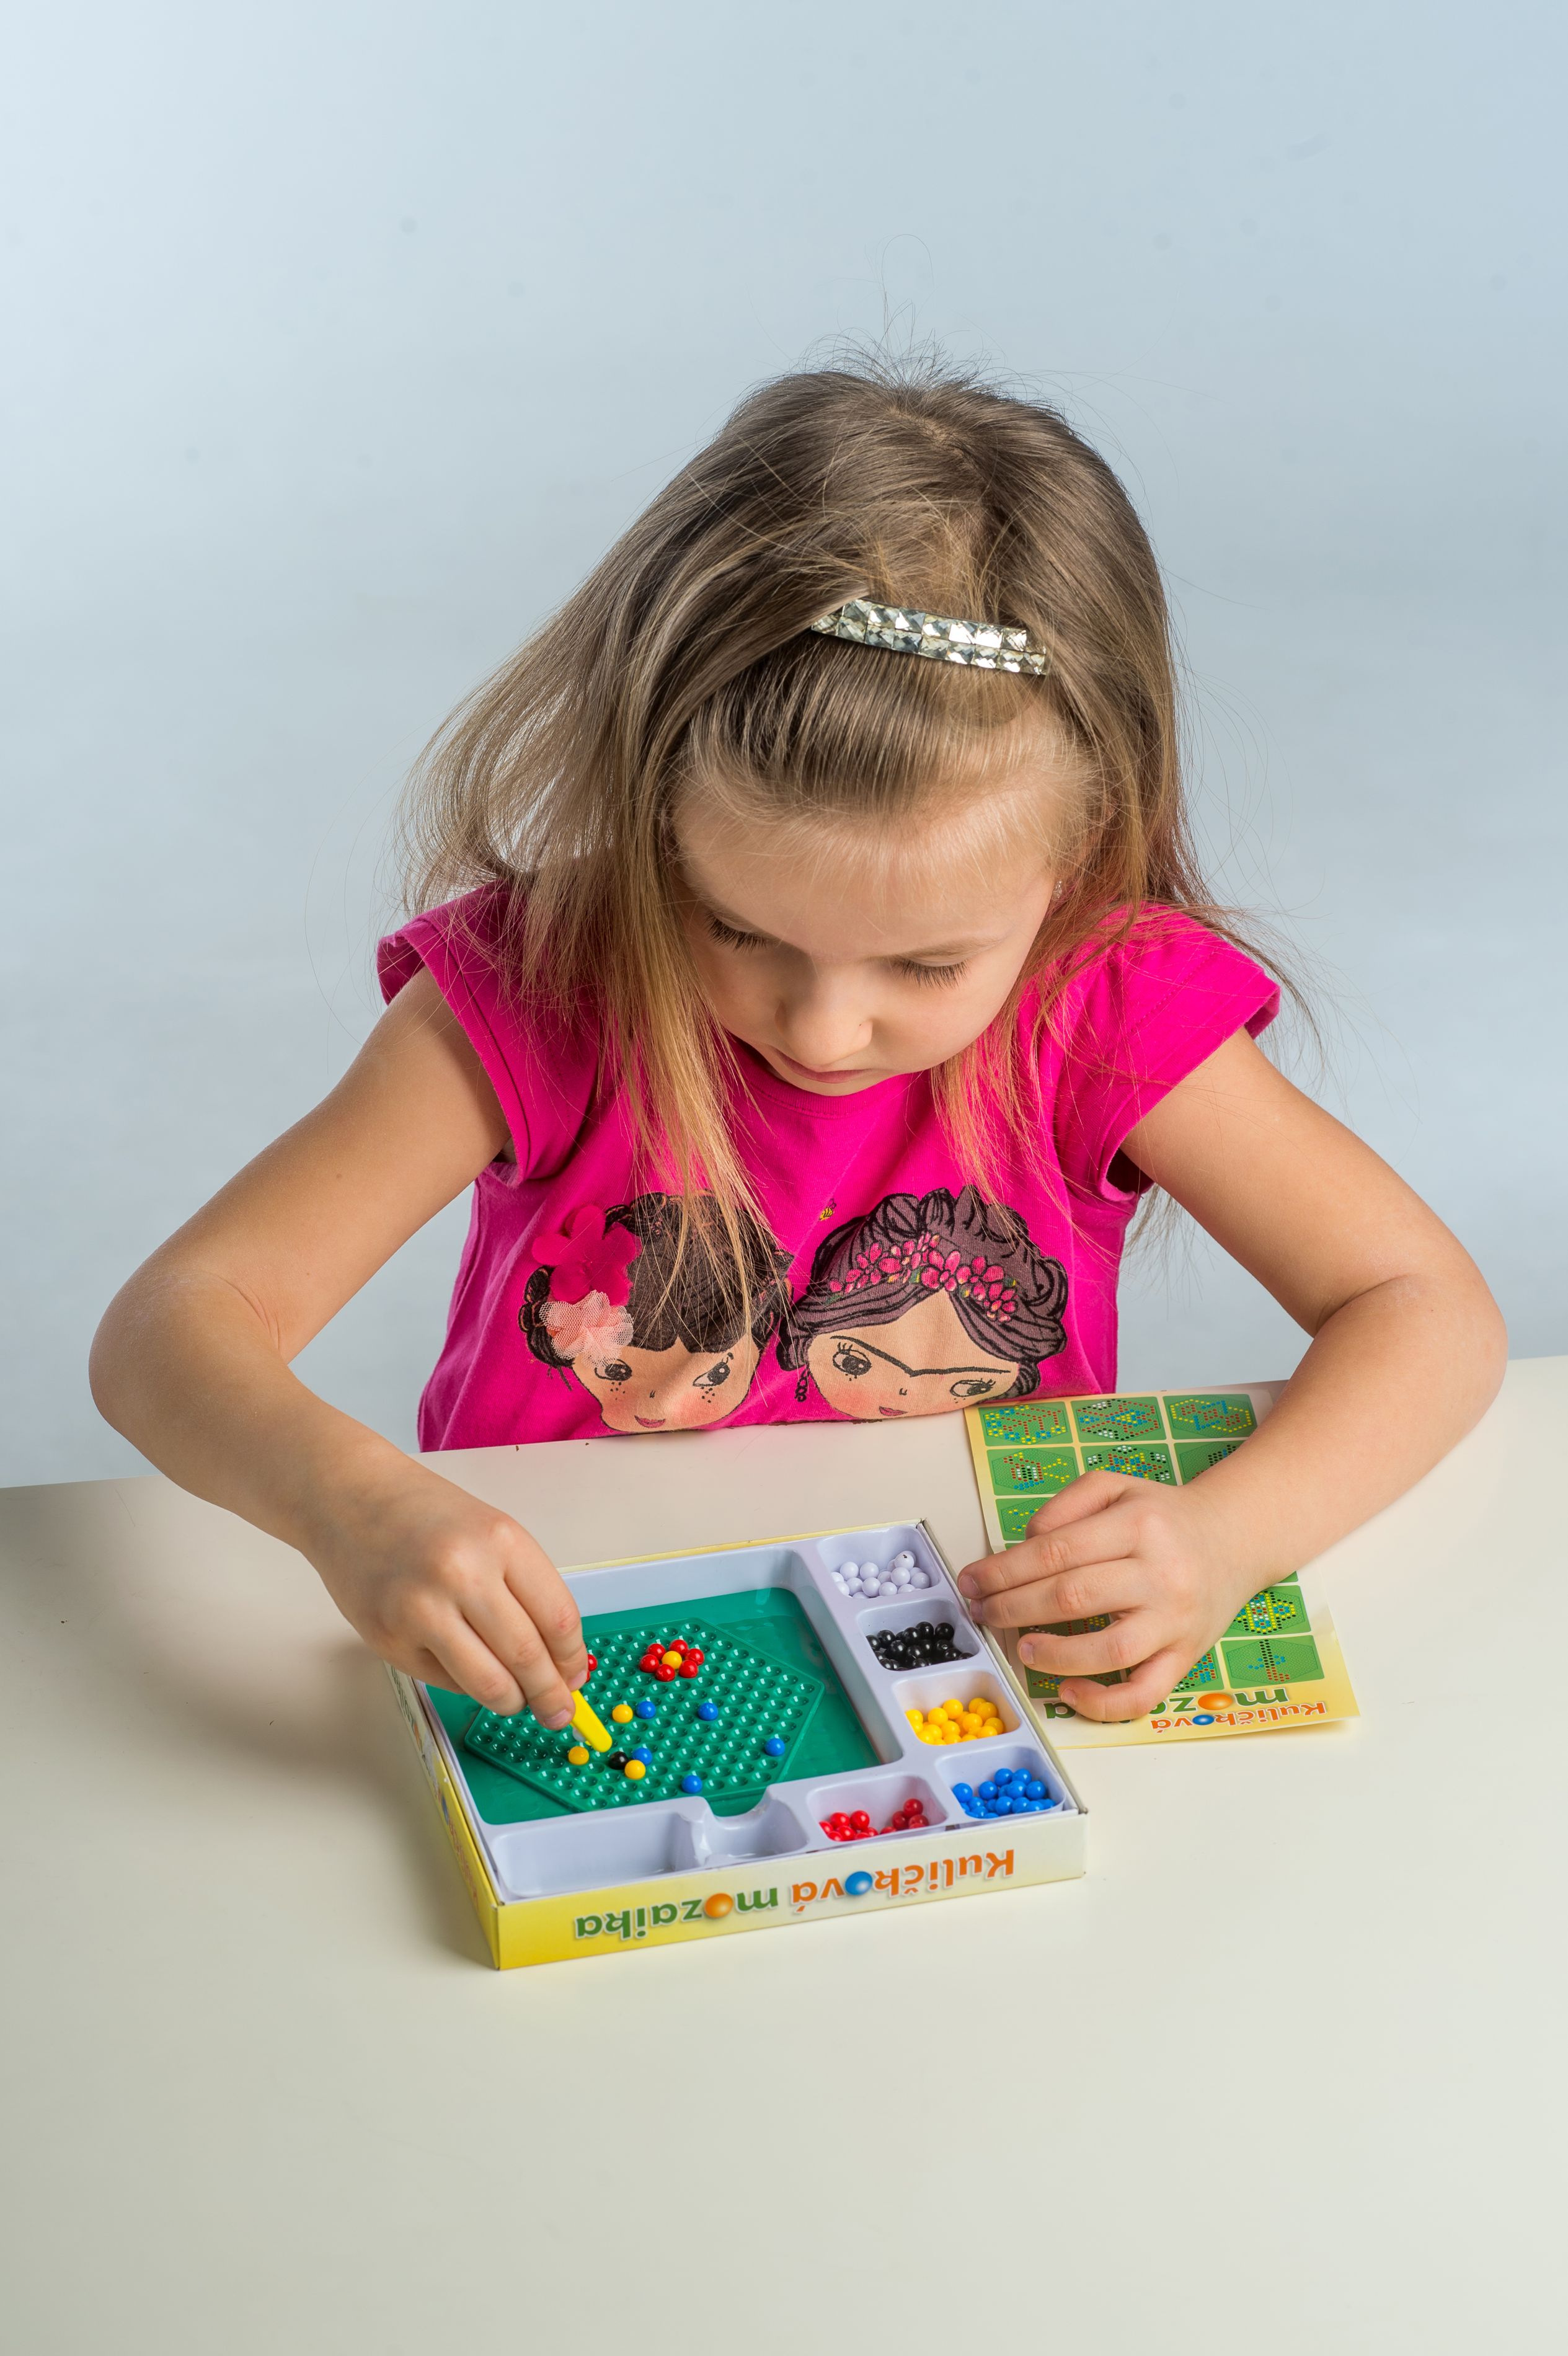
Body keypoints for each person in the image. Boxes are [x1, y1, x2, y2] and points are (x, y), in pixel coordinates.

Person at [90, 358, 1506, 1730]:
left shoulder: (1103, 1004)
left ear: (1077, 859)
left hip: (967, 1671)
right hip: (578, 1651)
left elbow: (1423, 1309)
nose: (824, 1028)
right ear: (655, 816)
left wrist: (1229, 1535)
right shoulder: (538, 986)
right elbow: (173, 1325)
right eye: (736, 928)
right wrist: (348, 1502)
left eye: (927, 963)